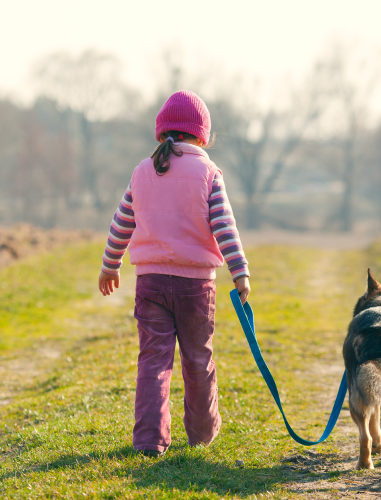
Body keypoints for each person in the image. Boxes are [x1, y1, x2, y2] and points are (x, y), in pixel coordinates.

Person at [97, 90, 251, 457]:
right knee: (198, 359)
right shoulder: (209, 173)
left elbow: (122, 222)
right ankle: (202, 434)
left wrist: (110, 264)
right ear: (202, 135)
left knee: (153, 360)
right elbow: (224, 226)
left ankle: (150, 440)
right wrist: (239, 271)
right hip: (196, 286)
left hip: (150, 282)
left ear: (162, 132)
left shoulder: (142, 170)